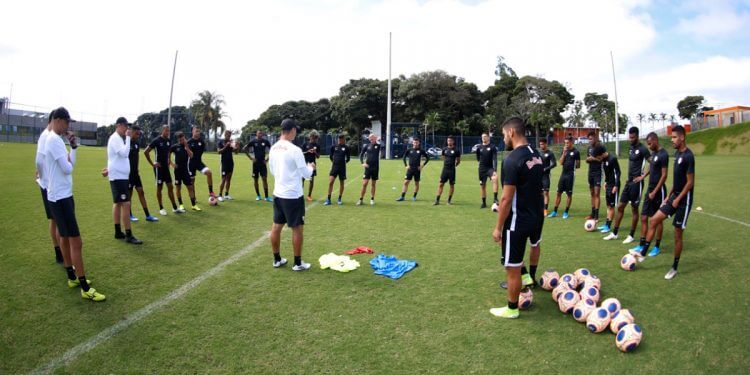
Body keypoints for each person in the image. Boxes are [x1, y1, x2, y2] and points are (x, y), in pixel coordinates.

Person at [45, 107, 106, 301]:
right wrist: (71, 153)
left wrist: (73, 148)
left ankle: (71, 276)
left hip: (58, 195)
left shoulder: (54, 139)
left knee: (64, 237)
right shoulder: (54, 141)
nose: (68, 126)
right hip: (61, 197)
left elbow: (67, 165)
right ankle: (84, 286)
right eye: (67, 122)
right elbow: (68, 168)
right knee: (76, 242)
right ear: (58, 120)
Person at [490, 117, 544, 319]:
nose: (504, 138)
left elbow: (506, 198)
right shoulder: (537, 155)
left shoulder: (512, 159)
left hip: (517, 221)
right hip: (536, 216)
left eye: (504, 134)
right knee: (530, 248)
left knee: (511, 266)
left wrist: (498, 227)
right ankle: (528, 276)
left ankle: (512, 309)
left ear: (512, 132)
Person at [631, 125, 694, 280]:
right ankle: (644, 253)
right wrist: (670, 196)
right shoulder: (677, 154)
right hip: (674, 197)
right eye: (671, 137)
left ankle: (674, 267)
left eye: (674, 137)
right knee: (654, 220)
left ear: (682, 137)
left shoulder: (688, 156)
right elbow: (677, 180)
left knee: (677, 234)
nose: (672, 140)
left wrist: (678, 199)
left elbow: (690, 182)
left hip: (684, 201)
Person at [268, 119, 316, 271]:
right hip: (293, 196)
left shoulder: (273, 148)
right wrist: (311, 167)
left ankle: (277, 260)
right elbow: (306, 174)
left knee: (276, 227)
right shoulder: (294, 149)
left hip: (278, 194)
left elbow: (272, 171)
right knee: (297, 229)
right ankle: (297, 263)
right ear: (292, 130)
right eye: (296, 130)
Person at [603, 127, 650, 242]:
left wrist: (643, 176)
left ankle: (631, 235)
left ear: (637, 136)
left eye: (633, 137)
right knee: (620, 207)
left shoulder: (643, 149)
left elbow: (653, 162)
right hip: (628, 182)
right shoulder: (631, 148)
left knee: (634, 209)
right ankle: (615, 233)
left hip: (636, 183)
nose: (630, 139)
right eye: (630, 137)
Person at [106, 117, 143, 244]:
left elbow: (115, 158)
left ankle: (117, 232)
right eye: (125, 126)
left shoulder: (118, 138)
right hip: (119, 177)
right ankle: (128, 235)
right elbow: (124, 154)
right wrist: (128, 138)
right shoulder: (116, 138)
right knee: (126, 204)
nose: (127, 129)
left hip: (119, 176)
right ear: (119, 125)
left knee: (118, 204)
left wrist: (109, 169)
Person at [634, 132, 669, 256]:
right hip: (650, 189)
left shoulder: (664, 154)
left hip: (659, 191)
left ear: (655, 140)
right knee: (644, 217)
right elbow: (652, 166)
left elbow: (664, 175)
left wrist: (655, 191)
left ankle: (657, 246)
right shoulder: (654, 153)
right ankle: (641, 244)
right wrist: (643, 176)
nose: (648, 146)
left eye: (649, 143)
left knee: (657, 220)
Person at [35, 111, 63, 264]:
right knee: (56, 220)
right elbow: (39, 160)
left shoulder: (47, 135)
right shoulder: (47, 136)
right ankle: (60, 252)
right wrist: (43, 176)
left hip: (49, 183)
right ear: (54, 120)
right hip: (49, 185)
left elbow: (42, 160)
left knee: (54, 220)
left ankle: (59, 251)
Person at [144, 125, 179, 215]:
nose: (168, 133)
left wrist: (169, 161)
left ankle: (175, 207)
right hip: (158, 169)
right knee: (160, 188)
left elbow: (168, 152)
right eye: (166, 131)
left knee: (170, 186)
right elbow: (146, 151)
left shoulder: (168, 141)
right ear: (162, 131)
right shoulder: (156, 140)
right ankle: (161, 208)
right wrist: (153, 164)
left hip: (166, 168)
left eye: (169, 131)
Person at [126, 124, 158, 222]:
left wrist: (137, 168)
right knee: (129, 194)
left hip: (136, 173)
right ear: (131, 132)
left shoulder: (136, 143)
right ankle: (129, 215)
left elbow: (137, 157)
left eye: (139, 134)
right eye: (137, 133)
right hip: (128, 174)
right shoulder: (126, 143)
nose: (138, 135)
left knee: (141, 192)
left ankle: (148, 215)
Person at [548, 137, 580, 218]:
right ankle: (555, 211)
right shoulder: (564, 151)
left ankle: (566, 212)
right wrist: (564, 153)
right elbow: (561, 163)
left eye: (567, 143)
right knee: (558, 193)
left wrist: (573, 165)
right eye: (565, 143)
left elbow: (578, 165)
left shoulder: (576, 152)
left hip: (571, 175)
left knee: (569, 194)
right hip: (563, 174)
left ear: (572, 142)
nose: (566, 144)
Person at [171, 131, 199, 211]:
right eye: (180, 140)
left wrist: (186, 146)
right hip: (177, 171)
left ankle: (193, 205)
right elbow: (167, 155)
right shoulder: (174, 147)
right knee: (178, 188)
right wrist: (172, 164)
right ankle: (181, 205)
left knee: (190, 187)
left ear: (184, 138)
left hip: (185, 171)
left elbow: (191, 155)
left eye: (183, 139)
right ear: (178, 140)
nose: (181, 141)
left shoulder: (188, 146)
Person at [242, 130, 272, 202]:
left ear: (262, 134)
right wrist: (250, 158)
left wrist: (267, 159)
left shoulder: (265, 141)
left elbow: (273, 149)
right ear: (256, 134)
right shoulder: (253, 141)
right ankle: (258, 196)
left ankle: (266, 197)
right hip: (255, 164)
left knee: (264, 179)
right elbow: (244, 148)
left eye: (261, 133)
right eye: (259, 133)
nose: (260, 134)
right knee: (256, 179)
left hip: (262, 163)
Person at [187, 127, 216, 200]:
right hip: (191, 164)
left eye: (199, 131)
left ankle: (211, 192)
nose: (198, 133)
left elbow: (200, 153)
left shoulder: (202, 142)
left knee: (209, 173)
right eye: (196, 131)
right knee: (192, 182)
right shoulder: (189, 142)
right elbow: (190, 154)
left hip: (199, 163)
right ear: (193, 132)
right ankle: (193, 197)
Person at [585, 131, 608, 221]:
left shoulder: (601, 147)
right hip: (590, 172)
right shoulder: (589, 148)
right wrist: (589, 159)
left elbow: (603, 159)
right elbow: (587, 159)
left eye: (591, 139)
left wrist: (593, 158)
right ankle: (593, 213)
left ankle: (596, 216)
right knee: (592, 193)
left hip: (598, 173)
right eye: (589, 139)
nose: (590, 141)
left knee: (597, 193)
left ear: (595, 138)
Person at [434, 135, 461, 205]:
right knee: (440, 184)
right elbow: (443, 157)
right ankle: (437, 200)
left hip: (452, 170)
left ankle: (449, 201)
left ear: (453, 141)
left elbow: (458, 161)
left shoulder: (456, 150)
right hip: (445, 169)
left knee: (451, 185)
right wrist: (446, 163)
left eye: (450, 141)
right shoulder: (444, 149)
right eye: (448, 140)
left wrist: (453, 165)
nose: (449, 142)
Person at [325, 134, 350, 205]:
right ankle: (328, 199)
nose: (339, 141)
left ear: (343, 140)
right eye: (338, 139)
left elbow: (348, 159)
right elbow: (330, 156)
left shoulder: (346, 147)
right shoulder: (334, 146)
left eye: (340, 139)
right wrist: (334, 162)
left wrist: (342, 163)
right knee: (331, 182)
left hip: (342, 168)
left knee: (341, 183)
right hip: (334, 167)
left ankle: (339, 198)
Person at [599, 154, 621, 233]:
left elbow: (618, 173)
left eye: (599, 156)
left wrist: (616, 185)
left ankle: (608, 226)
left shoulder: (612, 159)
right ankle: (606, 224)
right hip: (608, 184)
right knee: (608, 205)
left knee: (611, 206)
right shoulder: (603, 161)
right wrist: (605, 181)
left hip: (613, 186)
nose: (599, 158)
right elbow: (607, 173)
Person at [476, 133, 499, 209]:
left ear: (488, 138)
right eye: (482, 137)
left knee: (495, 179)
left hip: (490, 168)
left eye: (485, 136)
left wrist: (495, 169)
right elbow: (478, 158)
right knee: (483, 186)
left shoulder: (492, 147)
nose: (483, 138)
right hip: (482, 169)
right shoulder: (479, 147)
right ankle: (484, 203)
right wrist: (480, 165)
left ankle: (495, 198)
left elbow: (495, 159)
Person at [357, 133, 381, 206]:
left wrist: (378, 140)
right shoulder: (367, 146)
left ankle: (372, 199)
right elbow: (361, 154)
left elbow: (383, 146)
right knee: (364, 183)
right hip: (368, 167)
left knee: (373, 184)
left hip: (375, 168)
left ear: (375, 138)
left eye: (372, 138)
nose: (371, 139)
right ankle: (361, 199)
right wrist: (362, 163)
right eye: (370, 138)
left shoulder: (378, 145)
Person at [301, 131, 321, 202]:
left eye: (316, 138)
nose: (314, 139)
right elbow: (301, 153)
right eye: (313, 138)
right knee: (302, 179)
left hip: (312, 164)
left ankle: (309, 195)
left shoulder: (317, 145)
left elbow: (318, 156)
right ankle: (300, 194)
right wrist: (308, 151)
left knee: (311, 180)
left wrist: (315, 152)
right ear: (310, 137)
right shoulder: (305, 144)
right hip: (304, 164)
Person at [217, 130, 236, 201]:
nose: (229, 136)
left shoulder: (231, 142)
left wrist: (237, 147)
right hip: (224, 163)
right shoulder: (221, 142)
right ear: (225, 135)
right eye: (228, 135)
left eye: (230, 135)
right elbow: (219, 152)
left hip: (231, 163)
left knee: (229, 179)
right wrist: (226, 146)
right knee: (223, 179)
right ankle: (220, 195)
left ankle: (226, 194)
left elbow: (235, 152)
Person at [539, 138, 556, 215]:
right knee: (539, 193)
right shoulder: (538, 153)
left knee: (546, 192)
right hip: (538, 176)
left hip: (546, 175)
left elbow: (554, 164)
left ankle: (545, 209)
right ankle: (539, 207)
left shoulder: (550, 153)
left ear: (546, 144)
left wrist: (546, 168)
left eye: (542, 144)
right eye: (540, 144)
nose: (541, 145)